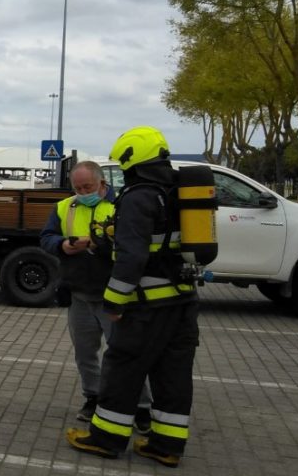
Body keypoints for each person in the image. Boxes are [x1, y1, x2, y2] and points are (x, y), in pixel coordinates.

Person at [65, 126, 200, 468]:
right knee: (172, 374)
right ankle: (165, 445)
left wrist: (114, 302)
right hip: (183, 302)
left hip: (147, 306)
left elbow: (132, 258)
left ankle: (105, 439)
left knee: (122, 368)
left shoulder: (139, 196)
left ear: (131, 160)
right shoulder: (177, 192)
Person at [40, 161, 152, 430]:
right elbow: (46, 237)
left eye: (87, 186)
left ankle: (142, 407)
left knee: (125, 354)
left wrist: (98, 244)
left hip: (113, 295)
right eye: (77, 187)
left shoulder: (121, 206)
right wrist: (63, 245)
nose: (82, 191)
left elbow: (134, 246)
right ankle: (93, 397)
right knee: (85, 353)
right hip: (79, 293)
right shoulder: (64, 207)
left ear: (102, 183)